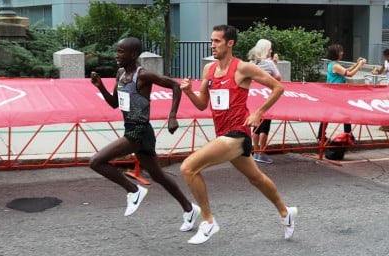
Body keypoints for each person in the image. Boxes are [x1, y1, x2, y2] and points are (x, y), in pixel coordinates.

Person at [180, 25, 298, 245]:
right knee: (256, 178)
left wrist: (259, 112)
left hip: (238, 133)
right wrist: (188, 91)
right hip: (223, 133)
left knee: (188, 168)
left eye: (217, 41)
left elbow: (278, 88)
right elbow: (202, 104)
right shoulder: (209, 71)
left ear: (230, 43)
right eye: (212, 41)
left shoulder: (243, 68)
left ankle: (208, 221)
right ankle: (286, 211)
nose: (212, 45)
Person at [89, 37, 200, 232]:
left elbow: (175, 86)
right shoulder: (120, 73)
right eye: (117, 50)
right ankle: (189, 209)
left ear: (133, 55)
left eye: (121, 51)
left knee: (96, 162)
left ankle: (134, 191)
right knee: (159, 176)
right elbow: (115, 103)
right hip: (135, 130)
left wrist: (172, 116)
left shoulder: (144, 76)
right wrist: (100, 86)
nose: (117, 55)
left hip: (138, 131)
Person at [317, 43, 367, 142]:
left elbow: (346, 70)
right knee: (344, 115)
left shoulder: (333, 64)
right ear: (336, 53)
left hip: (334, 94)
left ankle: (322, 136)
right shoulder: (335, 65)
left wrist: (357, 64)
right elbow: (350, 74)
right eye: (340, 51)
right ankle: (348, 136)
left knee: (333, 115)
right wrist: (360, 65)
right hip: (336, 94)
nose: (342, 53)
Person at [247, 39, 282, 164]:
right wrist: (275, 64)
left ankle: (255, 151)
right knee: (265, 125)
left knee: (256, 124)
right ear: (266, 49)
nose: (271, 50)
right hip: (266, 95)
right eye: (270, 48)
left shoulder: (251, 63)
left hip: (253, 95)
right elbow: (277, 78)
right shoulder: (269, 63)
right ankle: (261, 152)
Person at [373, 48, 389, 132]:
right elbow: (380, 71)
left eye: (387, 56)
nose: (386, 58)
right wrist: (376, 71)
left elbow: (387, 70)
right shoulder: (385, 62)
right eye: (385, 56)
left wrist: (387, 70)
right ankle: (386, 123)